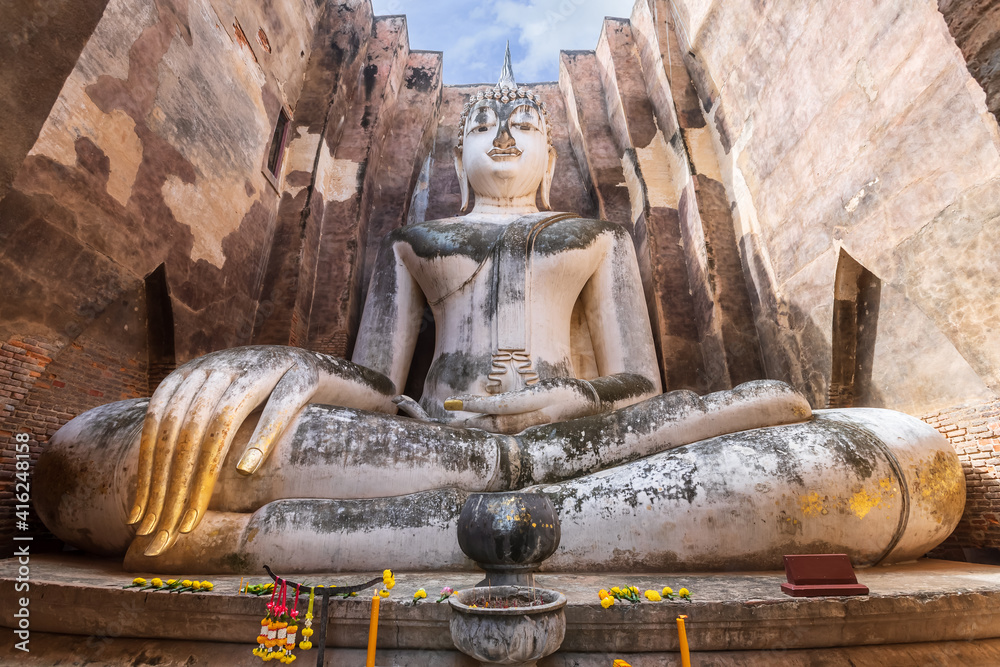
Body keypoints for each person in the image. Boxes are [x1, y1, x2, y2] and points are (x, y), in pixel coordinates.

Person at [35, 51, 963, 573]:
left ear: (552, 150)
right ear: (458, 152)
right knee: (105, 451)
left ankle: (284, 541)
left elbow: (640, 378)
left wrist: (571, 405)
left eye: (525, 123)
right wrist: (294, 366)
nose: (508, 133)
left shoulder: (597, 237)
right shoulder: (418, 239)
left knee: (890, 456)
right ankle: (531, 523)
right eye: (487, 123)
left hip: (591, 445)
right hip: (435, 443)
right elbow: (373, 374)